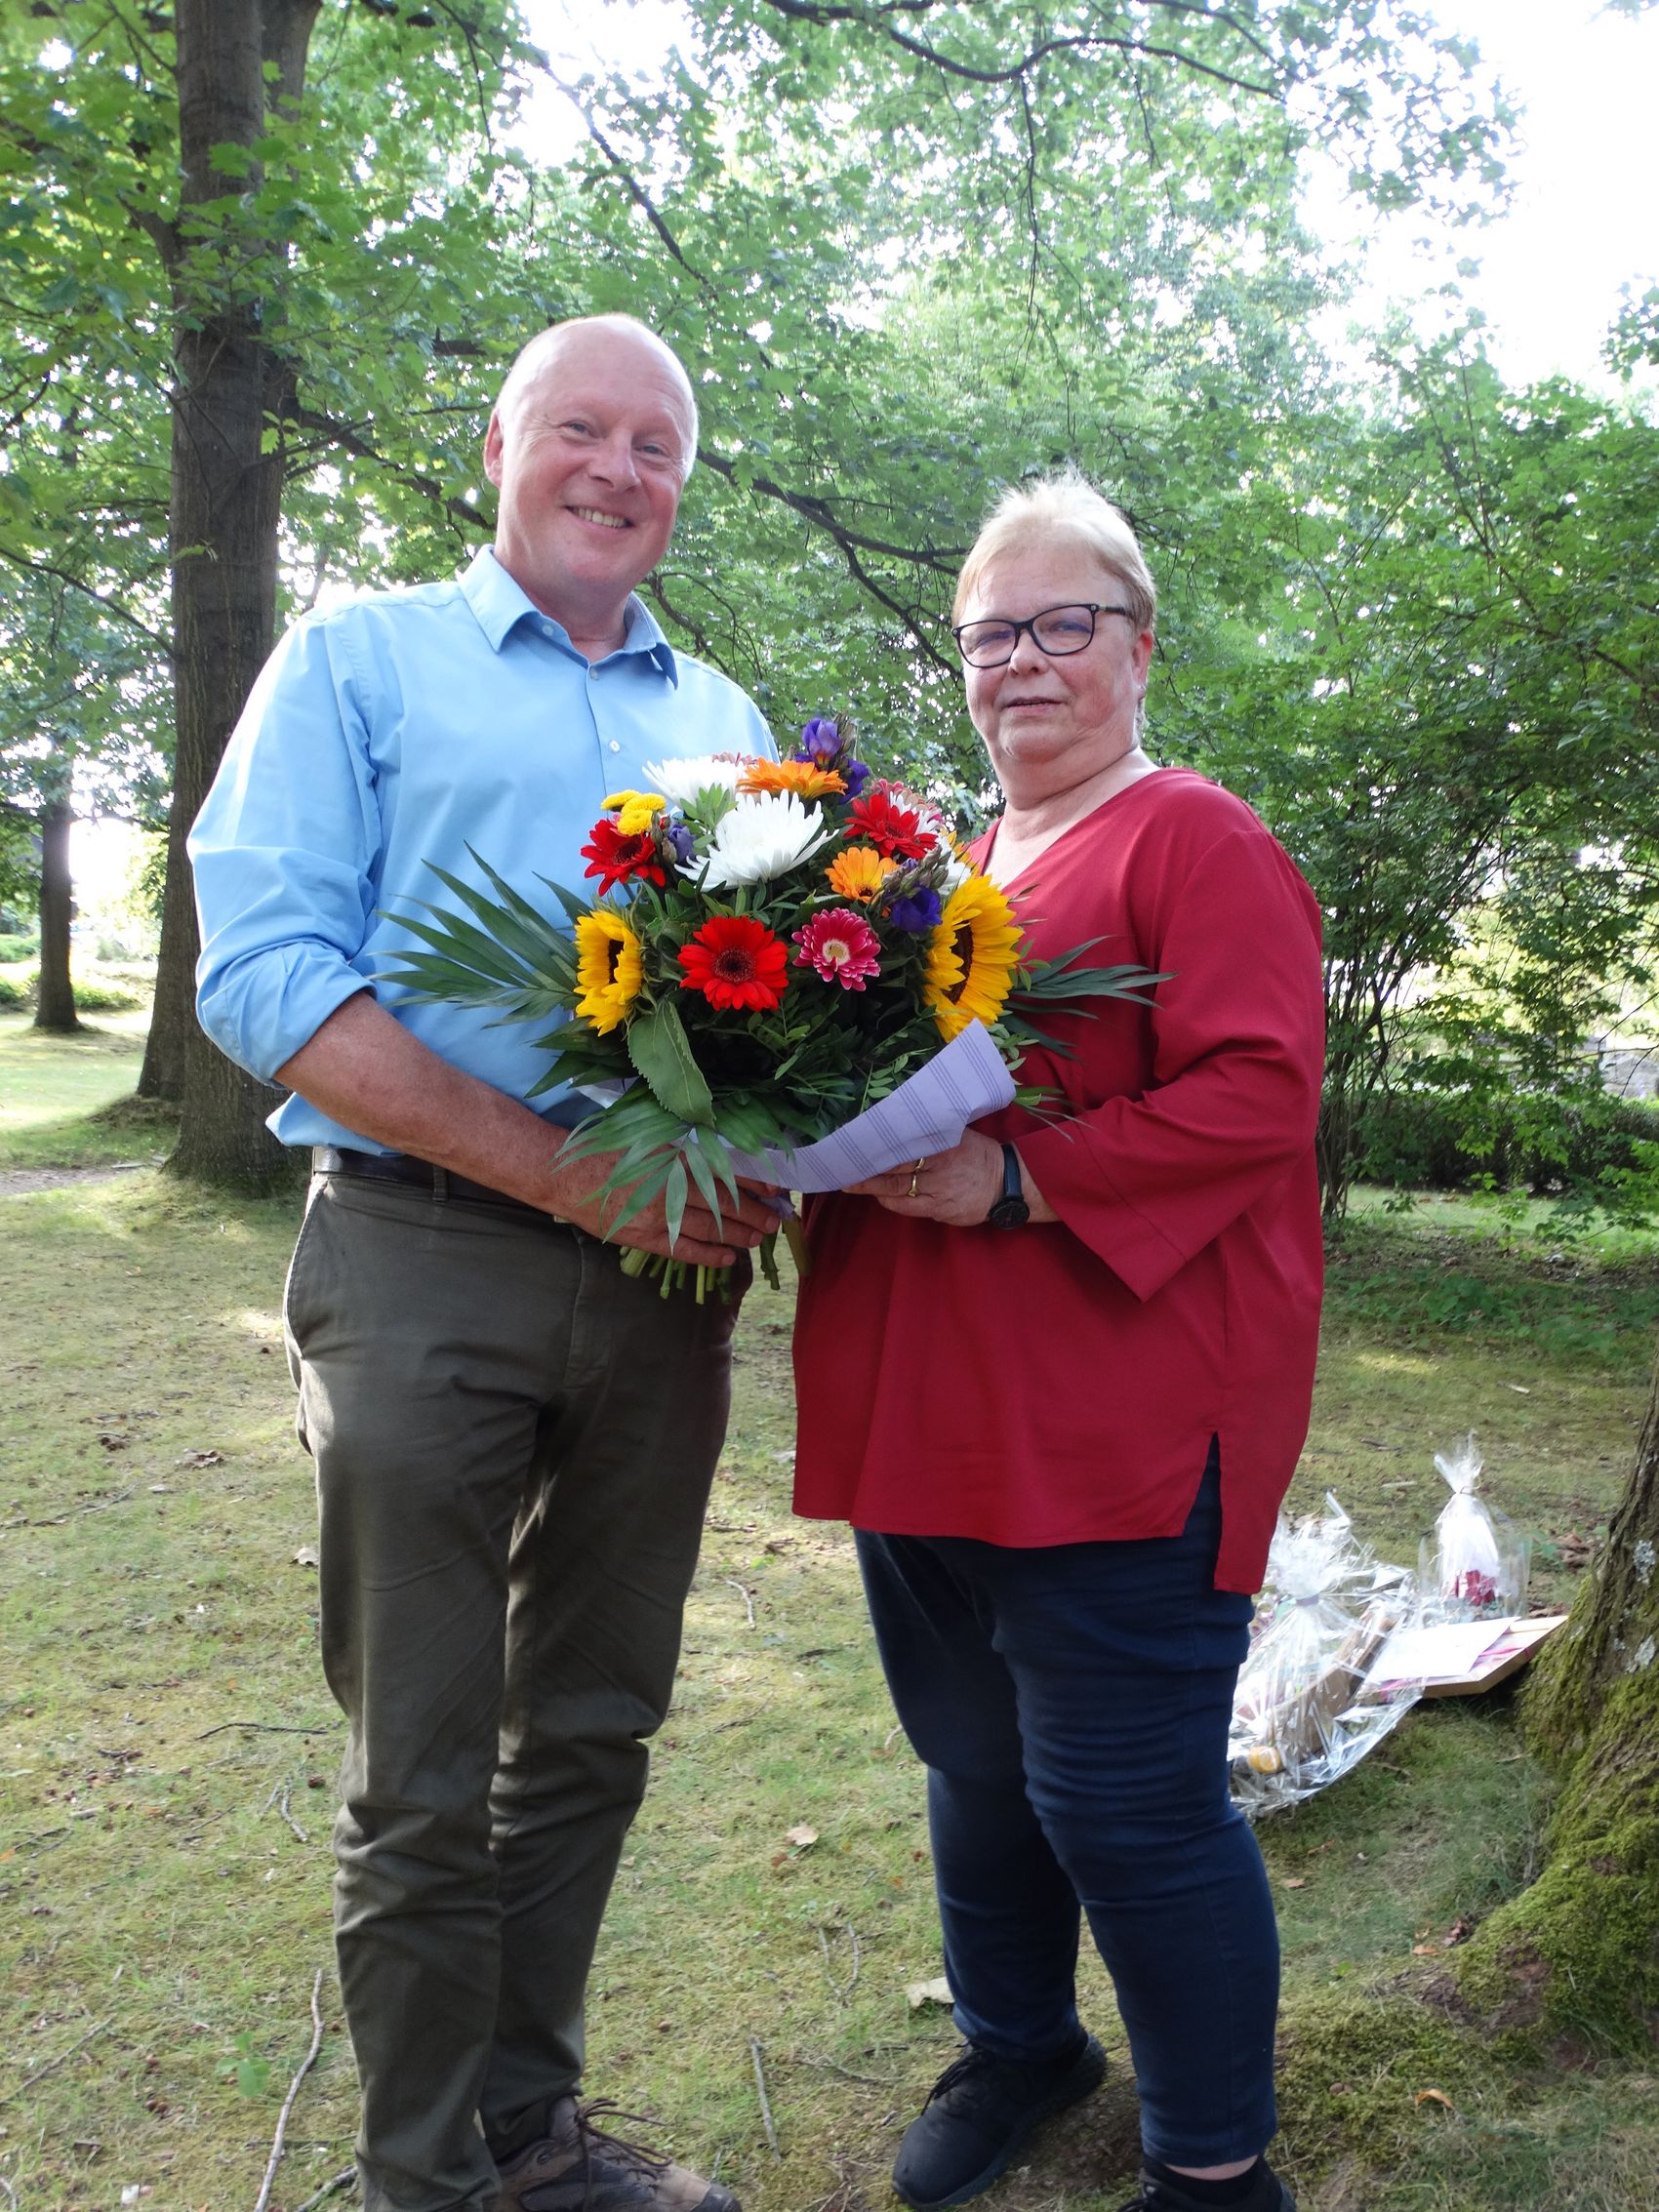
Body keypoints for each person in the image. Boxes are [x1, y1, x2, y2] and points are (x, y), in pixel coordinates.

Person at [190, 314, 781, 2212]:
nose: (619, 470)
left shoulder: (734, 726)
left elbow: (770, 1015)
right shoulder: (360, 662)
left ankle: (526, 2137)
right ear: (502, 449)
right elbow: (269, 980)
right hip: (418, 1267)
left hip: (665, 1302)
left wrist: (775, 1151)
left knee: (594, 1733)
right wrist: (574, 1179)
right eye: (580, 432)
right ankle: (419, 2183)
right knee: (423, 1780)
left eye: (659, 447)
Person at [791, 471, 1325, 2212]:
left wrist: (1023, 1181)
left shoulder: (1193, 837)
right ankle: (1025, 2048)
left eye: (1061, 624)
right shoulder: (935, 871)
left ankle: (1214, 2169)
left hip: (1123, 1422)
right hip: (927, 1413)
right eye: (989, 632)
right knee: (974, 1769)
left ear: (1137, 645)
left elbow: (1259, 1098)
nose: (1021, 659)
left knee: (1130, 1809)